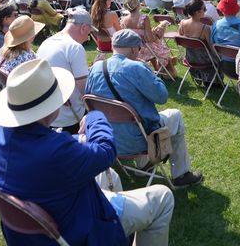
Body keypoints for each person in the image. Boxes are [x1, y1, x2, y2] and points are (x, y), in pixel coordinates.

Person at [0, 59, 174, 245]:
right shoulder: (56, 151)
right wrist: (95, 116)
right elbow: (106, 151)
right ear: (47, 109)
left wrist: (77, 140)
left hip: (37, 230)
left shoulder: (0, 137)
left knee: (111, 177)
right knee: (162, 197)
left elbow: (49, 149)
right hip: (76, 231)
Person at [85, 30, 203, 187]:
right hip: (138, 139)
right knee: (176, 115)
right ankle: (181, 175)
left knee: (136, 117)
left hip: (107, 137)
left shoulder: (95, 67)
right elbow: (161, 96)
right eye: (139, 49)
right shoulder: (136, 68)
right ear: (134, 49)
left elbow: (89, 99)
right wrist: (151, 73)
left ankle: (143, 164)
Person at [34, 7, 93, 134]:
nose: (88, 37)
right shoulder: (75, 47)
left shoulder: (47, 42)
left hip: (47, 113)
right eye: (89, 32)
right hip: (70, 118)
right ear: (83, 28)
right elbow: (85, 90)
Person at [122, 0, 176, 78]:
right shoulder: (143, 18)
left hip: (133, 49)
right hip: (146, 47)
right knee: (160, 42)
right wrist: (157, 34)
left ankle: (156, 68)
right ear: (138, 4)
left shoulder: (124, 20)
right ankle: (161, 69)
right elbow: (150, 39)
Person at [176, 0, 221, 86]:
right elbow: (210, 47)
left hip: (189, 57)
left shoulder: (182, 23)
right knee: (219, 58)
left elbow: (181, 37)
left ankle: (201, 77)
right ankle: (214, 81)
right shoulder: (205, 28)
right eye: (204, 9)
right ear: (198, 12)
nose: (205, 11)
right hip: (204, 60)